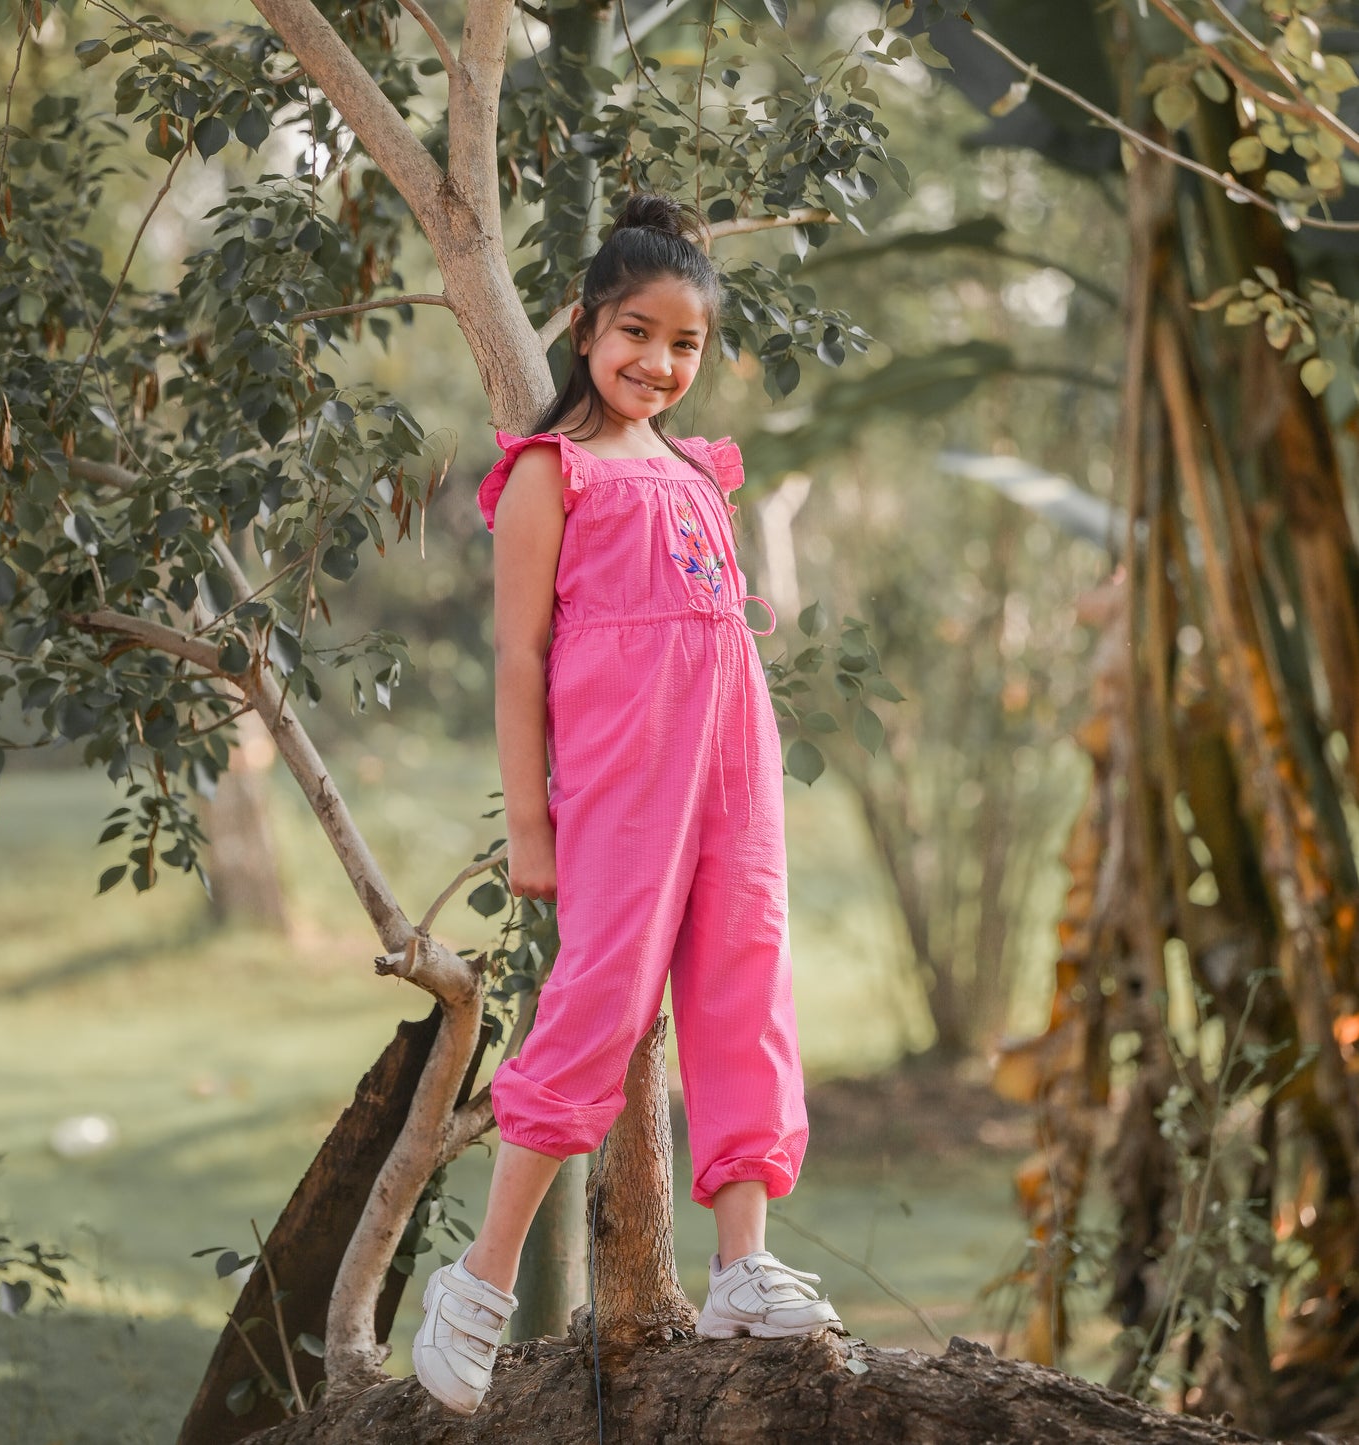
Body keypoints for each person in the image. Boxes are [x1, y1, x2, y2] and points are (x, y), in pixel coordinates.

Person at [411, 192, 842, 1417]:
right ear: (586, 326)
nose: (658, 362)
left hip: (731, 764)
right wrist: (531, 823)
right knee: (599, 997)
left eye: (685, 343)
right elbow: (516, 660)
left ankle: (742, 1262)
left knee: (744, 976)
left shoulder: (699, 470)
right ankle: (477, 1280)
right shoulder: (549, 472)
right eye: (635, 333)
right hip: (621, 774)